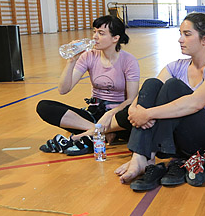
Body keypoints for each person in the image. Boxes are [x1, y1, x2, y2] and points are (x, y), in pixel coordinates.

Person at [112, 11, 205, 191]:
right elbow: (148, 90)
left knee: (173, 86)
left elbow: (195, 103)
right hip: (179, 138)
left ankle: (147, 153)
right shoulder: (177, 66)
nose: (180, 39)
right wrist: (134, 110)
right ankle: (140, 157)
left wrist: (147, 114)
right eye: (180, 34)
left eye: (187, 34)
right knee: (152, 83)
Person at [36, 16, 140, 154]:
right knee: (44, 107)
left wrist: (109, 115)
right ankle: (98, 132)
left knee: (135, 119)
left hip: (116, 117)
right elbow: (63, 89)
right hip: (94, 114)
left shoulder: (128, 61)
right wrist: (71, 61)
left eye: (101, 33)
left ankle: (89, 134)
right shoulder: (89, 56)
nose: (95, 37)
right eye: (94, 32)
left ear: (115, 38)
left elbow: (131, 100)